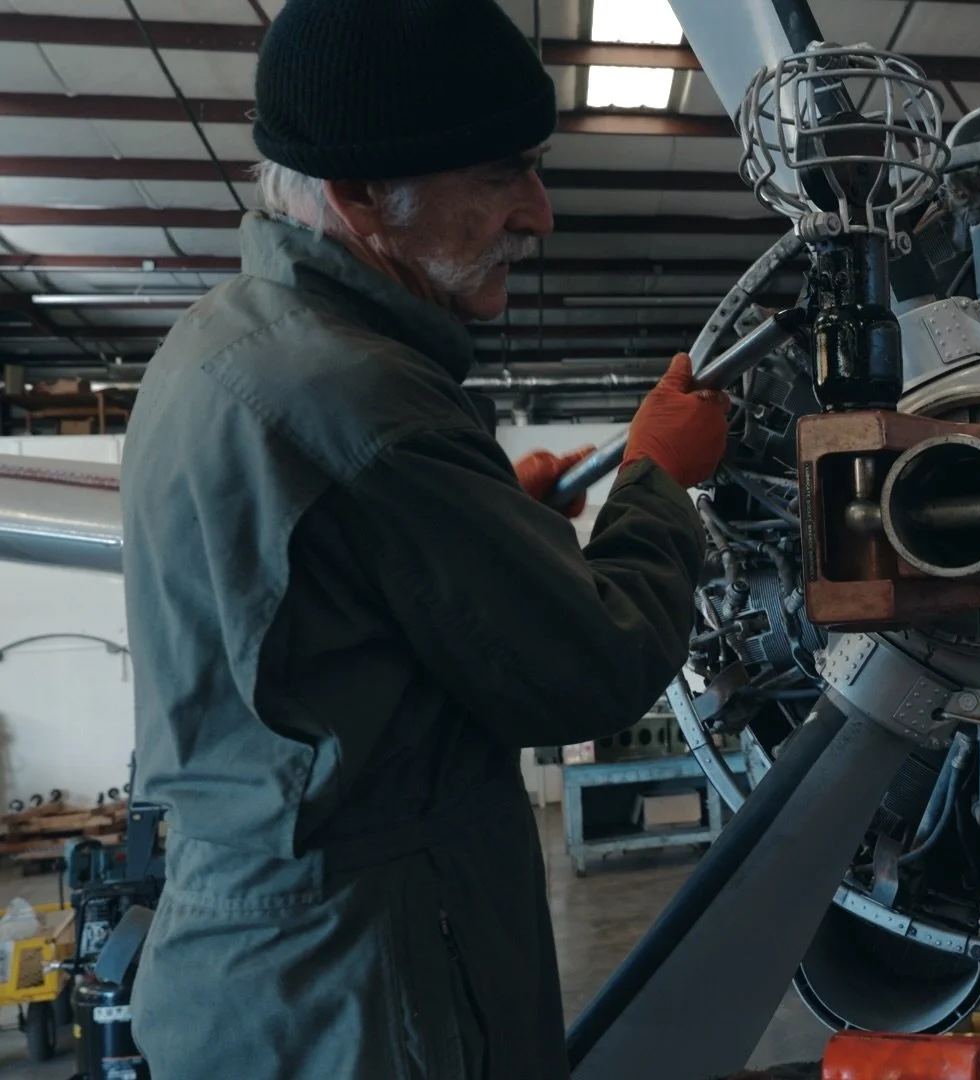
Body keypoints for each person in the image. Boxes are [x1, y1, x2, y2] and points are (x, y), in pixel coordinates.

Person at [117, 1, 727, 1076]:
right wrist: (656, 477)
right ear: (360, 194)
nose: (539, 215)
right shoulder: (361, 402)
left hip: (255, 972)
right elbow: (598, 662)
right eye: (501, 174)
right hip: (370, 988)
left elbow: (337, 605)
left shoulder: (221, 344)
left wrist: (503, 522)